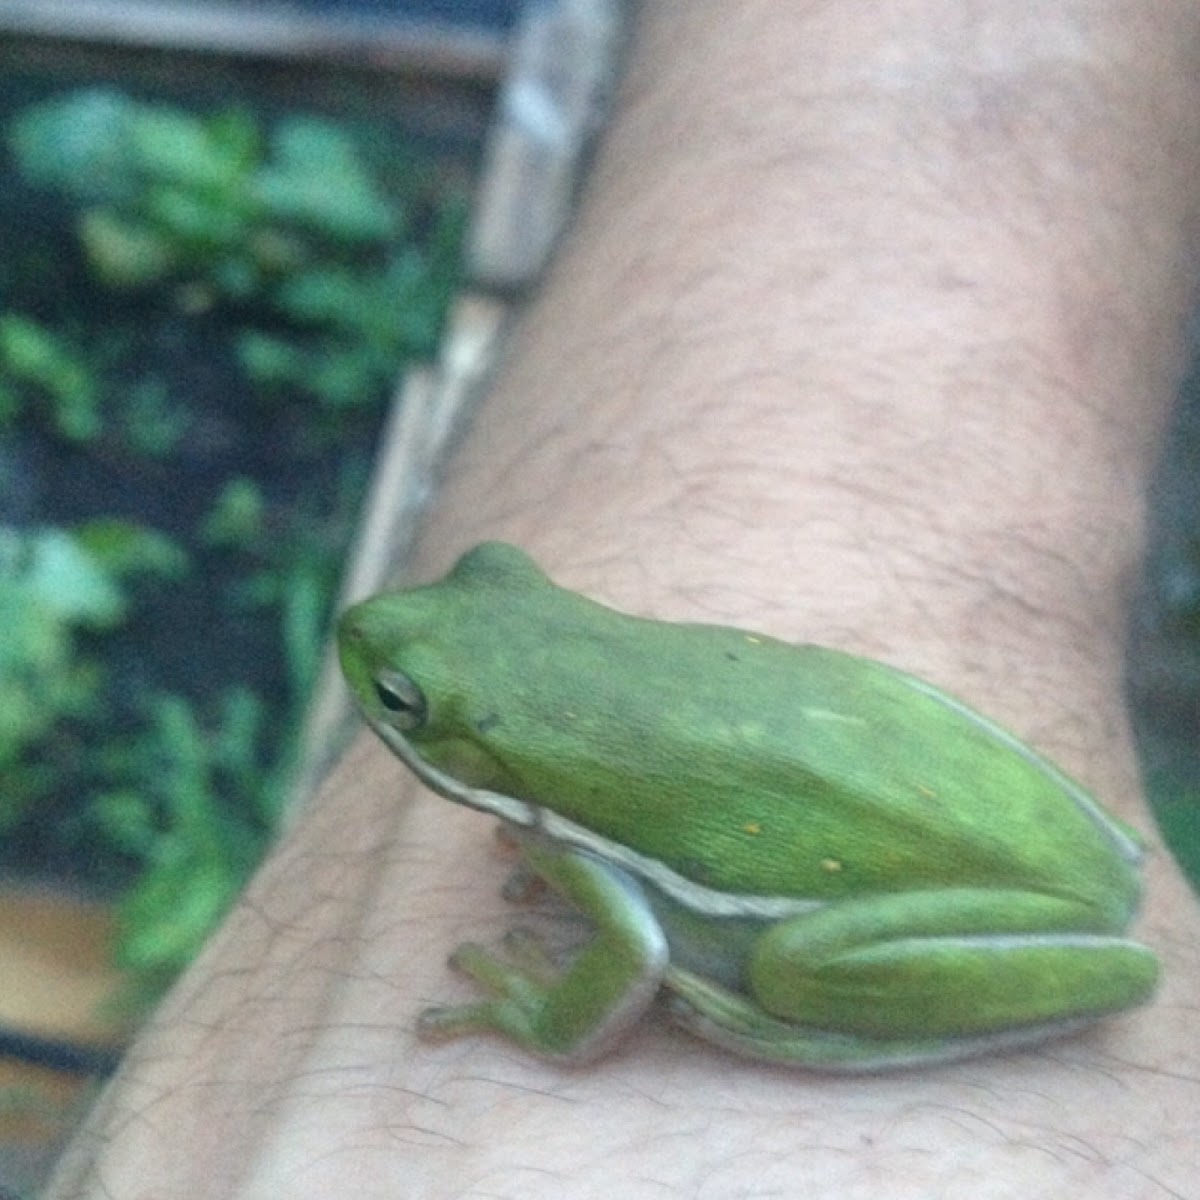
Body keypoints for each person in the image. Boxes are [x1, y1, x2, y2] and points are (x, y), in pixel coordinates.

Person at [45, 4, 1200, 1196]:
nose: (384, 669)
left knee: (796, 971)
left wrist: (541, 1019)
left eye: (403, 700)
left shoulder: (551, 808)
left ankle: (830, 1019)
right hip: (951, 793)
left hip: (879, 882)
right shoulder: (549, 769)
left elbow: (630, 952)